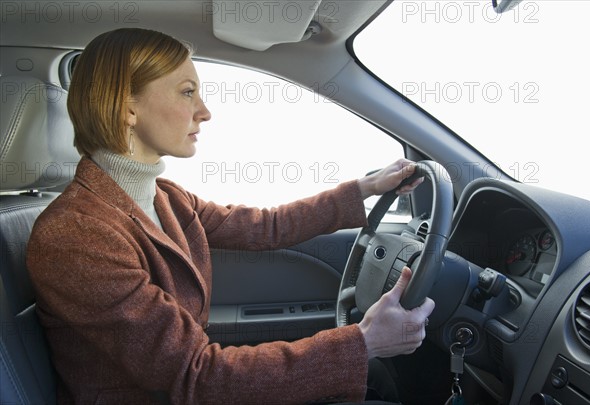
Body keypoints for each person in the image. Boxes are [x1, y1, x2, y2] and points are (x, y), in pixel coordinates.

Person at [27, 28, 435, 404]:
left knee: (375, 382)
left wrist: (364, 189)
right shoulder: (75, 235)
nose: (204, 112)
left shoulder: (163, 197)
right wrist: (362, 342)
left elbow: (265, 226)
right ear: (127, 109)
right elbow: (198, 375)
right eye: (187, 92)